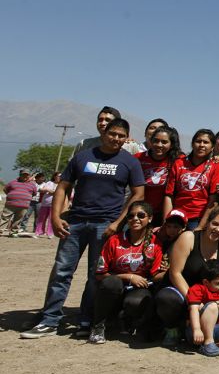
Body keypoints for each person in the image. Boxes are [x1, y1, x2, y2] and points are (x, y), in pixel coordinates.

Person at [21, 118, 145, 340]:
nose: (116, 139)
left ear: (127, 138)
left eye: (121, 135)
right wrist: (57, 217)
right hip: (75, 222)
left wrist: (117, 223)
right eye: (112, 134)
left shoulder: (130, 162)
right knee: (62, 271)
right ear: (104, 133)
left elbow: (138, 194)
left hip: (105, 226)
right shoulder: (84, 156)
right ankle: (49, 319)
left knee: (95, 276)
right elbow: (63, 186)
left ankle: (87, 320)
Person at [155, 207, 219, 346]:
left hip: (209, 296)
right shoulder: (189, 237)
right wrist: (194, 301)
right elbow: (175, 273)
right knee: (167, 299)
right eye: (215, 224)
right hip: (183, 290)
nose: (218, 229)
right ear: (207, 222)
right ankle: (173, 329)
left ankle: (211, 332)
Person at [89, 201, 163, 344]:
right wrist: (128, 276)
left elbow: (155, 275)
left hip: (138, 289)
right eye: (131, 216)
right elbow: (99, 274)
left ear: (150, 219)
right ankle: (97, 326)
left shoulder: (155, 243)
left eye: (141, 215)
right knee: (111, 282)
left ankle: (126, 319)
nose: (135, 219)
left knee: (136, 302)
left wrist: (173, 271)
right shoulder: (114, 240)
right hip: (115, 287)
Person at [164, 129, 219, 230]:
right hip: (176, 216)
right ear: (192, 144)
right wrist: (166, 222)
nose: (201, 145)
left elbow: (213, 200)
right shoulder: (179, 163)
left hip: (198, 218)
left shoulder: (216, 166)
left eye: (206, 142)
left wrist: (201, 226)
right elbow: (168, 195)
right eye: (198, 141)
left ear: (212, 147)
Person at [135, 125, 180, 224]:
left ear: (171, 144)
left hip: (164, 212)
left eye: (164, 142)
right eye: (156, 140)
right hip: (140, 212)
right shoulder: (138, 158)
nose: (159, 145)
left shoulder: (178, 160)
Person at [2, 168, 37, 236]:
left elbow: (34, 193)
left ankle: (13, 232)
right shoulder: (13, 182)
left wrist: (25, 198)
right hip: (11, 204)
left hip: (23, 205)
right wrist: (11, 196)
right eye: (23, 175)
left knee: (18, 219)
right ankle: (1, 231)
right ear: (20, 175)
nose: (25, 176)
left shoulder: (32, 184)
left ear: (29, 176)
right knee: (5, 218)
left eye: (27, 175)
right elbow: (5, 189)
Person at [35, 171, 60, 238]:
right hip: (45, 203)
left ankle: (50, 233)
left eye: (61, 176)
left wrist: (52, 191)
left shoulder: (61, 184)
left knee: (51, 219)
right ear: (55, 176)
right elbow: (41, 189)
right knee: (41, 218)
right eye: (58, 176)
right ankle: (39, 232)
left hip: (55, 205)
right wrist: (48, 190)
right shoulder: (49, 183)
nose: (60, 177)